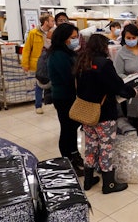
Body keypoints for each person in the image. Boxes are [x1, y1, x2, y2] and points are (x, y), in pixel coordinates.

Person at [73, 33, 137, 193]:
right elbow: (116, 86)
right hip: (104, 113)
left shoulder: (81, 61)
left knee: (91, 146)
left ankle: (88, 180)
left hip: (86, 112)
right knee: (106, 147)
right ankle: (109, 184)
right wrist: (132, 92)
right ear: (103, 47)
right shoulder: (104, 64)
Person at [47, 23, 84, 176]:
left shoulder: (68, 53)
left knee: (72, 128)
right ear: (64, 38)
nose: (76, 41)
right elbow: (69, 77)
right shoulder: (58, 55)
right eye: (73, 38)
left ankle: (74, 155)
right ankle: (67, 159)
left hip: (71, 96)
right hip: (63, 97)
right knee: (67, 128)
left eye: (76, 37)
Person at [21, 14, 55, 114]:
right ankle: (38, 105)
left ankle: (52, 101)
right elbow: (27, 49)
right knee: (40, 84)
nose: (53, 23)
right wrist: (25, 64)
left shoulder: (53, 33)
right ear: (46, 22)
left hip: (51, 61)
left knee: (52, 82)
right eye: (52, 21)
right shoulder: (33, 33)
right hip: (38, 63)